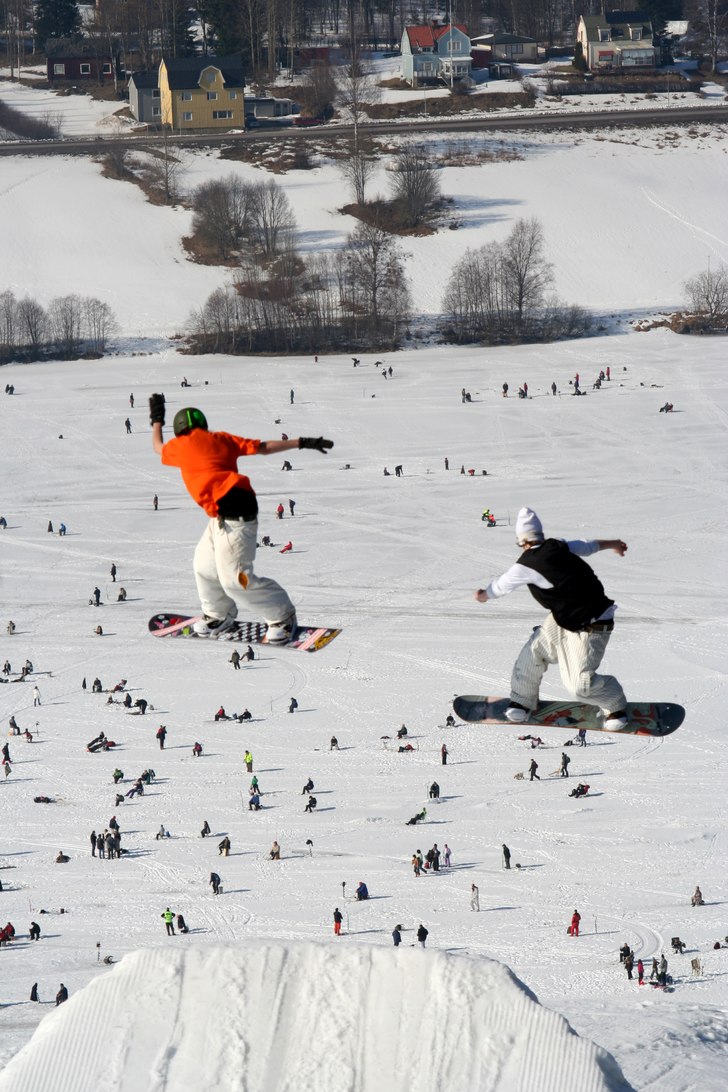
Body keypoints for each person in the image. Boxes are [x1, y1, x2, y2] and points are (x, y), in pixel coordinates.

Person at [149, 395, 333, 643]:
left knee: (236, 580)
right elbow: (264, 448)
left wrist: (156, 419)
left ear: (179, 430)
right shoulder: (221, 438)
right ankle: (217, 614)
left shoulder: (178, 446)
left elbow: (157, 446)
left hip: (236, 516)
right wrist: (302, 442)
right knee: (204, 567)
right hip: (223, 515)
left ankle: (282, 617)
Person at [475, 507, 629, 730]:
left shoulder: (526, 565)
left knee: (579, 686)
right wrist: (614, 542)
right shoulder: (559, 545)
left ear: (521, 540)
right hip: (563, 618)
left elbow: (498, 588)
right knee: (535, 650)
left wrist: (481, 595)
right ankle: (522, 701)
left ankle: (615, 706)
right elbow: (589, 545)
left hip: (593, 624)